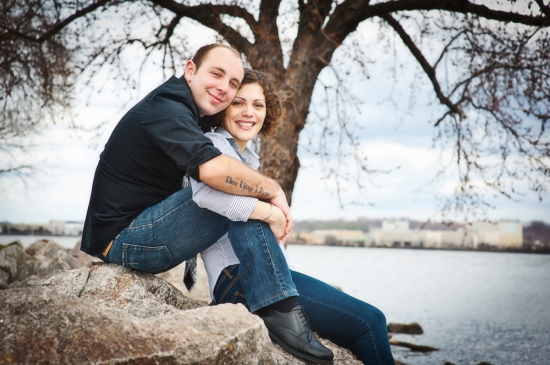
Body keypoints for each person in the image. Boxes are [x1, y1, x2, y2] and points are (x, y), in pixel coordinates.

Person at [81, 44, 333, 364]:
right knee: (235, 185)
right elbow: (212, 172)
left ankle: (273, 303)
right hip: (125, 238)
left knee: (238, 183)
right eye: (217, 74)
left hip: (143, 234)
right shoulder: (168, 105)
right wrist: (272, 195)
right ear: (190, 71)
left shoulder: (192, 116)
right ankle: (278, 309)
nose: (224, 88)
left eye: (232, 83)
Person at [190, 69, 396, 365]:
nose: (249, 113)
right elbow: (205, 196)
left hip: (253, 277)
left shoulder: (244, 159)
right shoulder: (217, 148)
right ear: (222, 108)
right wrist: (272, 212)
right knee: (371, 322)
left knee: (355, 331)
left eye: (258, 105)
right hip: (241, 279)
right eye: (238, 103)